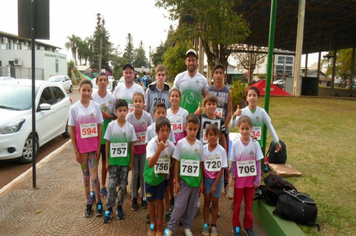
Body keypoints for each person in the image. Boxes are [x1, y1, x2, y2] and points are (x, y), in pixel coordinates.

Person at [164, 114, 204, 236]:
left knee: (192, 207)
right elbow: (176, 163)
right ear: (185, 128)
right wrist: (176, 180)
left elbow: (201, 164)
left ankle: (187, 227)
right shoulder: (180, 144)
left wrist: (201, 182)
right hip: (183, 182)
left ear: (198, 129)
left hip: (195, 182)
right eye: (190, 129)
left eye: (195, 129)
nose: (192, 132)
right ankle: (171, 227)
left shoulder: (200, 145)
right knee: (179, 206)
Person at [69, 79, 103, 218]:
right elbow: (72, 130)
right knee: (86, 176)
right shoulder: (74, 108)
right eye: (84, 90)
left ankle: (99, 201)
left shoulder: (96, 106)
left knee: (95, 176)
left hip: (94, 148)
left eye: (89, 90)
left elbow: (100, 127)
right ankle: (88, 201)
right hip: (81, 150)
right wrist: (76, 150)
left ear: (91, 92)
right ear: (79, 91)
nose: (86, 93)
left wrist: (99, 146)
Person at [227, 116, 264, 236]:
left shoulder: (255, 144)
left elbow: (258, 163)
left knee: (248, 206)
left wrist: (258, 179)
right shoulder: (236, 144)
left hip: (251, 182)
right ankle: (236, 226)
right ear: (238, 128)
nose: (244, 131)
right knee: (237, 205)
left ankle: (248, 226)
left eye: (247, 128)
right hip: (239, 182)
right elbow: (233, 162)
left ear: (251, 129)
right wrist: (233, 178)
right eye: (242, 128)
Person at [103, 99, 137, 223]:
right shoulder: (111, 126)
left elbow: (132, 145)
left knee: (122, 187)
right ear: (116, 111)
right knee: (111, 185)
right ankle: (109, 208)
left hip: (124, 163)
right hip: (113, 163)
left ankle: (120, 207)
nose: (122, 113)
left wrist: (131, 161)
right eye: (120, 111)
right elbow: (107, 143)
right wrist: (107, 160)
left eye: (124, 110)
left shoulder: (130, 127)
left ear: (127, 111)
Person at [194, 93, 227, 216]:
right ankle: (197, 204)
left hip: (217, 152)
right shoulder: (200, 117)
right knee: (201, 177)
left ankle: (214, 204)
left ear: (216, 106)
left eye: (213, 104)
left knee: (216, 176)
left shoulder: (220, 120)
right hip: (203, 151)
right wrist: (195, 113)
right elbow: (191, 124)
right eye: (209, 104)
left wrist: (225, 150)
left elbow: (223, 136)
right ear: (205, 105)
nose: (211, 106)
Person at [145, 117, 176, 236]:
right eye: (162, 130)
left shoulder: (171, 145)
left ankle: (159, 224)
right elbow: (150, 163)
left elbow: (175, 160)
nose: (165, 133)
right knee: (151, 201)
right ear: (157, 131)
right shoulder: (152, 144)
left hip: (161, 180)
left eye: (167, 130)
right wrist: (158, 150)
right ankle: (152, 223)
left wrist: (168, 170)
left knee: (159, 201)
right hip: (150, 178)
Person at [207, 63, 233, 199]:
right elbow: (206, 108)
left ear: (223, 75)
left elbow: (229, 112)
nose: (218, 75)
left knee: (224, 157)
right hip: (209, 130)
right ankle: (208, 181)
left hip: (223, 130)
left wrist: (223, 126)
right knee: (209, 155)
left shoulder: (228, 91)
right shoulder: (208, 90)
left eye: (220, 73)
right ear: (213, 75)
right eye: (216, 72)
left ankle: (225, 184)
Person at [231, 86, 282, 153]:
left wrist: (277, 142)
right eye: (250, 95)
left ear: (258, 98)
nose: (252, 98)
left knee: (258, 163)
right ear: (246, 98)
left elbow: (270, 126)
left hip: (258, 146)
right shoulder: (242, 112)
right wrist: (234, 115)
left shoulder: (262, 112)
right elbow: (233, 125)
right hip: (245, 145)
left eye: (254, 95)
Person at [91, 72, 117, 198]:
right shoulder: (92, 97)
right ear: (96, 82)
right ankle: (93, 189)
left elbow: (115, 116)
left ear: (108, 82)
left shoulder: (111, 98)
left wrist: (108, 116)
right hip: (94, 137)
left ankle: (103, 187)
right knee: (94, 163)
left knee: (105, 164)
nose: (102, 82)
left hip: (107, 136)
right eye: (100, 80)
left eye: (104, 80)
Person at [126, 92, 153, 211]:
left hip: (144, 150)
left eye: (140, 101)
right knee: (134, 174)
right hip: (133, 150)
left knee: (143, 174)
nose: (138, 103)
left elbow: (151, 132)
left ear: (143, 103)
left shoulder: (147, 117)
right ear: (133, 103)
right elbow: (126, 134)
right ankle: (134, 197)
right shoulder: (129, 117)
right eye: (135, 101)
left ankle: (144, 196)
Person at [202, 124, 228, 236]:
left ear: (218, 136)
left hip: (216, 181)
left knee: (215, 203)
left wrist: (215, 185)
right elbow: (201, 166)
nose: (212, 137)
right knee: (206, 202)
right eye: (210, 135)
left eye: (214, 135)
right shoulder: (203, 149)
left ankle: (213, 225)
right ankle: (205, 224)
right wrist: (202, 183)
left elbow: (221, 169)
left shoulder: (221, 150)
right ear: (206, 136)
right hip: (206, 180)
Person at [166, 88, 189, 211]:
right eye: (172, 96)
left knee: (180, 174)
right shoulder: (166, 113)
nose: (174, 98)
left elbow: (187, 129)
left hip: (181, 147)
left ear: (180, 99)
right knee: (170, 174)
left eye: (176, 96)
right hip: (170, 147)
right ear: (169, 98)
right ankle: (171, 197)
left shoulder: (184, 113)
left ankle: (181, 197)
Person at [173, 49, 208, 114]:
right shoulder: (179, 77)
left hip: (197, 118)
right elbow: (173, 97)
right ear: (185, 62)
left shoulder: (203, 79)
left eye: (193, 60)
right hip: (181, 117)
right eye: (189, 60)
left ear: (197, 62)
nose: (191, 63)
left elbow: (208, 99)